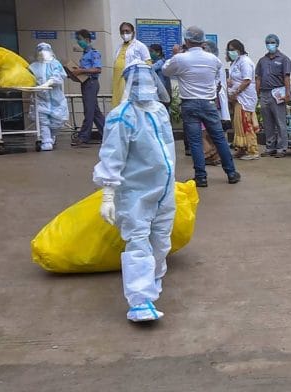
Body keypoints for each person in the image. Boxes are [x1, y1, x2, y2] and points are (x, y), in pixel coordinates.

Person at [93, 63, 175, 322]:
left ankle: (153, 280)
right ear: (128, 85)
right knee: (138, 240)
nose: (143, 87)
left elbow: (167, 149)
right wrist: (108, 194)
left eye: (147, 80)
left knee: (161, 239)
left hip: (163, 188)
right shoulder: (122, 116)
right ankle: (140, 301)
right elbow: (111, 156)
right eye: (136, 82)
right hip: (134, 191)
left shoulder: (160, 111)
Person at [162, 26, 241, 187]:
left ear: (187, 40)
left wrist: (176, 54)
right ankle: (231, 173)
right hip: (208, 103)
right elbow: (217, 71)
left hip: (189, 103)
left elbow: (165, 71)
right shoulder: (213, 59)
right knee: (219, 139)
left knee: (195, 141)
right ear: (202, 41)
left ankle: (201, 176)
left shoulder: (181, 58)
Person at [255, 34, 291, 158]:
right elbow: (258, 78)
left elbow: (286, 77)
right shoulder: (262, 60)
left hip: (277, 93)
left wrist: (287, 93)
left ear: (277, 44)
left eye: (272, 42)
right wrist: (257, 93)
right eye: (268, 42)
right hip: (265, 93)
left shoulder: (284, 59)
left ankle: (282, 148)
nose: (270, 45)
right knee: (268, 122)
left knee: (280, 121)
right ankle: (270, 146)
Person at [29, 42, 68, 151]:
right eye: (40, 50)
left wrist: (48, 83)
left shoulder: (55, 64)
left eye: (45, 50)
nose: (42, 53)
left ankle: (51, 136)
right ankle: (47, 141)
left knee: (57, 121)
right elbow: (28, 79)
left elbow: (58, 76)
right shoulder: (33, 66)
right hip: (40, 99)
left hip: (56, 99)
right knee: (42, 121)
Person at [226, 39, 260, 161]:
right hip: (237, 98)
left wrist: (236, 92)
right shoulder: (235, 62)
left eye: (232, 49)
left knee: (246, 123)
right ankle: (241, 148)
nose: (230, 52)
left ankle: (253, 150)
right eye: (229, 50)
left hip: (244, 97)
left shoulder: (245, 61)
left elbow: (247, 80)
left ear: (239, 49)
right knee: (238, 124)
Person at [71, 29, 105, 147]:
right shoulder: (85, 54)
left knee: (89, 111)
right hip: (86, 83)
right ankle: (108, 134)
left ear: (87, 40)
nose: (78, 42)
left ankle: (83, 137)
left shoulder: (94, 53)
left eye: (79, 39)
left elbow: (98, 69)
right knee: (95, 112)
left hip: (91, 83)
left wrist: (81, 71)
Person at [201, 40, 230, 166]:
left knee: (209, 131)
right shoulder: (209, 63)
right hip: (209, 100)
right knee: (209, 130)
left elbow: (217, 85)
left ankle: (213, 155)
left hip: (212, 101)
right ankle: (213, 155)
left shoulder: (215, 64)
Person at [111, 22, 151, 108]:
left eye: (127, 31)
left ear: (133, 32)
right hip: (118, 83)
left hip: (132, 84)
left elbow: (148, 65)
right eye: (122, 32)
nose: (125, 34)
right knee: (119, 107)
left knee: (130, 108)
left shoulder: (140, 46)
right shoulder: (119, 47)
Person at [149, 44, 172, 110]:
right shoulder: (156, 62)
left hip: (162, 94)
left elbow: (150, 69)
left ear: (158, 53)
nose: (150, 53)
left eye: (151, 51)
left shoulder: (161, 62)